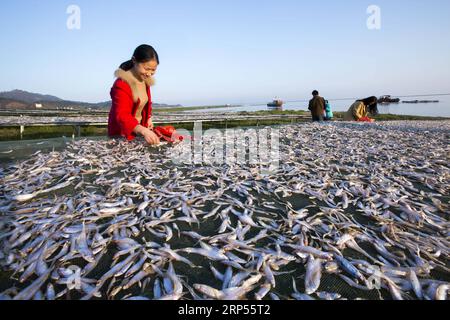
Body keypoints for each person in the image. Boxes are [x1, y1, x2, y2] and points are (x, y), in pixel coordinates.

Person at [108, 44, 161, 145]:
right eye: (146, 69)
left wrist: (148, 117)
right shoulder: (122, 84)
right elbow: (122, 116)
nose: (149, 74)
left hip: (138, 132)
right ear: (134, 60)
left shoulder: (145, 80)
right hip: (121, 134)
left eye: (153, 70)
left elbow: (146, 103)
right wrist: (144, 131)